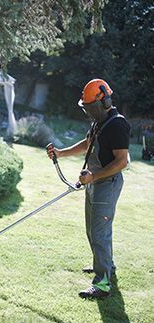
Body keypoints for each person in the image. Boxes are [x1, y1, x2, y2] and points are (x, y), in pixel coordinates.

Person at [47, 79, 130, 298]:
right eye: (87, 108)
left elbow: (122, 162)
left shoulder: (118, 123)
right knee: (92, 230)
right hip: (94, 182)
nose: (89, 112)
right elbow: (87, 144)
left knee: (100, 232)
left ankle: (102, 284)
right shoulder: (99, 122)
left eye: (91, 107)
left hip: (107, 183)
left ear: (105, 101)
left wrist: (94, 176)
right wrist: (61, 153)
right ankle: (105, 265)